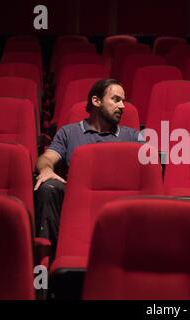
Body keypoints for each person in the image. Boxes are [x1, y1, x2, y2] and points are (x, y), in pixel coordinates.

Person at [34, 78, 141, 251]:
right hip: (78, 197)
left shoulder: (134, 136)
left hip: (120, 199)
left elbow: (153, 167)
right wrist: (46, 169)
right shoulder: (69, 132)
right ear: (96, 101)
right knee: (48, 188)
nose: (122, 106)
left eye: (123, 101)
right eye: (116, 99)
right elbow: (46, 158)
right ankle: (49, 259)